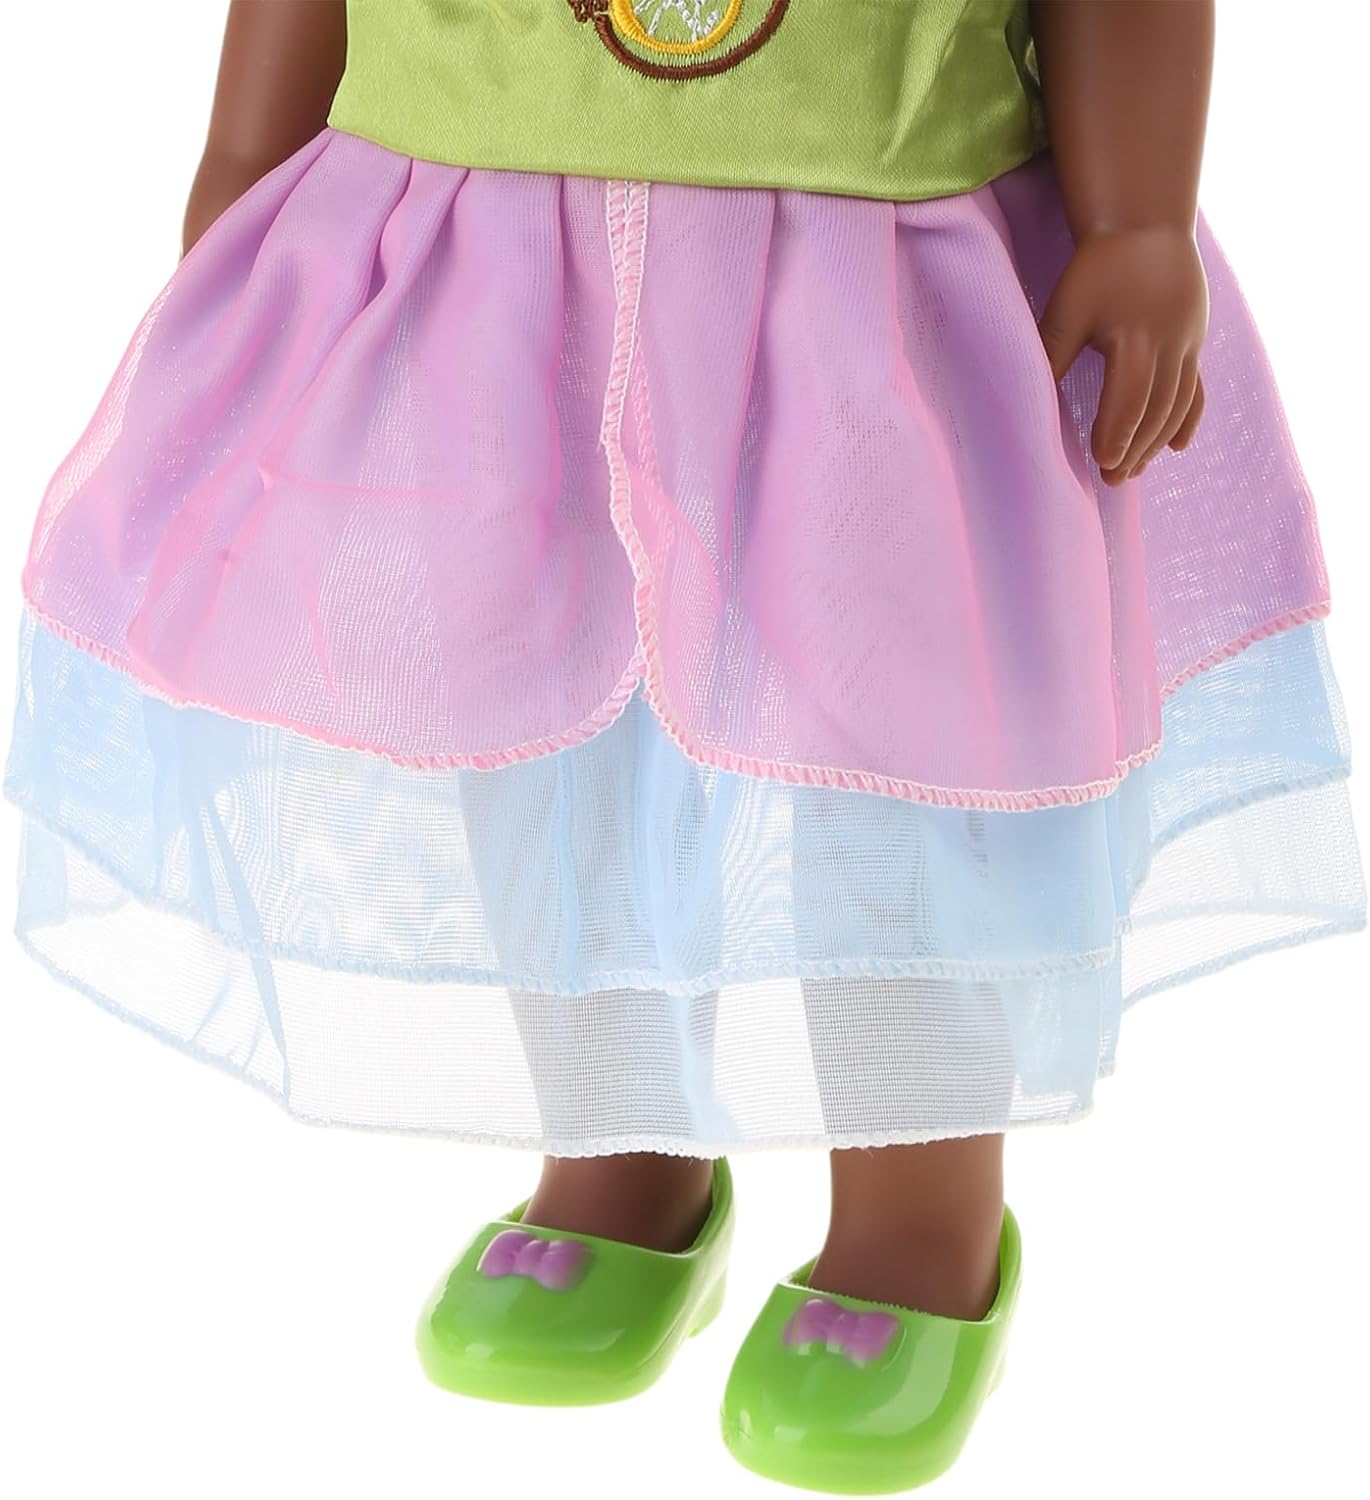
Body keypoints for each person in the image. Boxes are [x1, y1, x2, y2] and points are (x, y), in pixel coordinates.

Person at [6, 2, 1363, 1491]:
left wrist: (1138, 216)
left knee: (891, 752)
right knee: (527, 721)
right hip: (485, 251)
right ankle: (618, 1154)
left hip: (862, 266)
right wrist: (247, 170)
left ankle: (917, 1222)